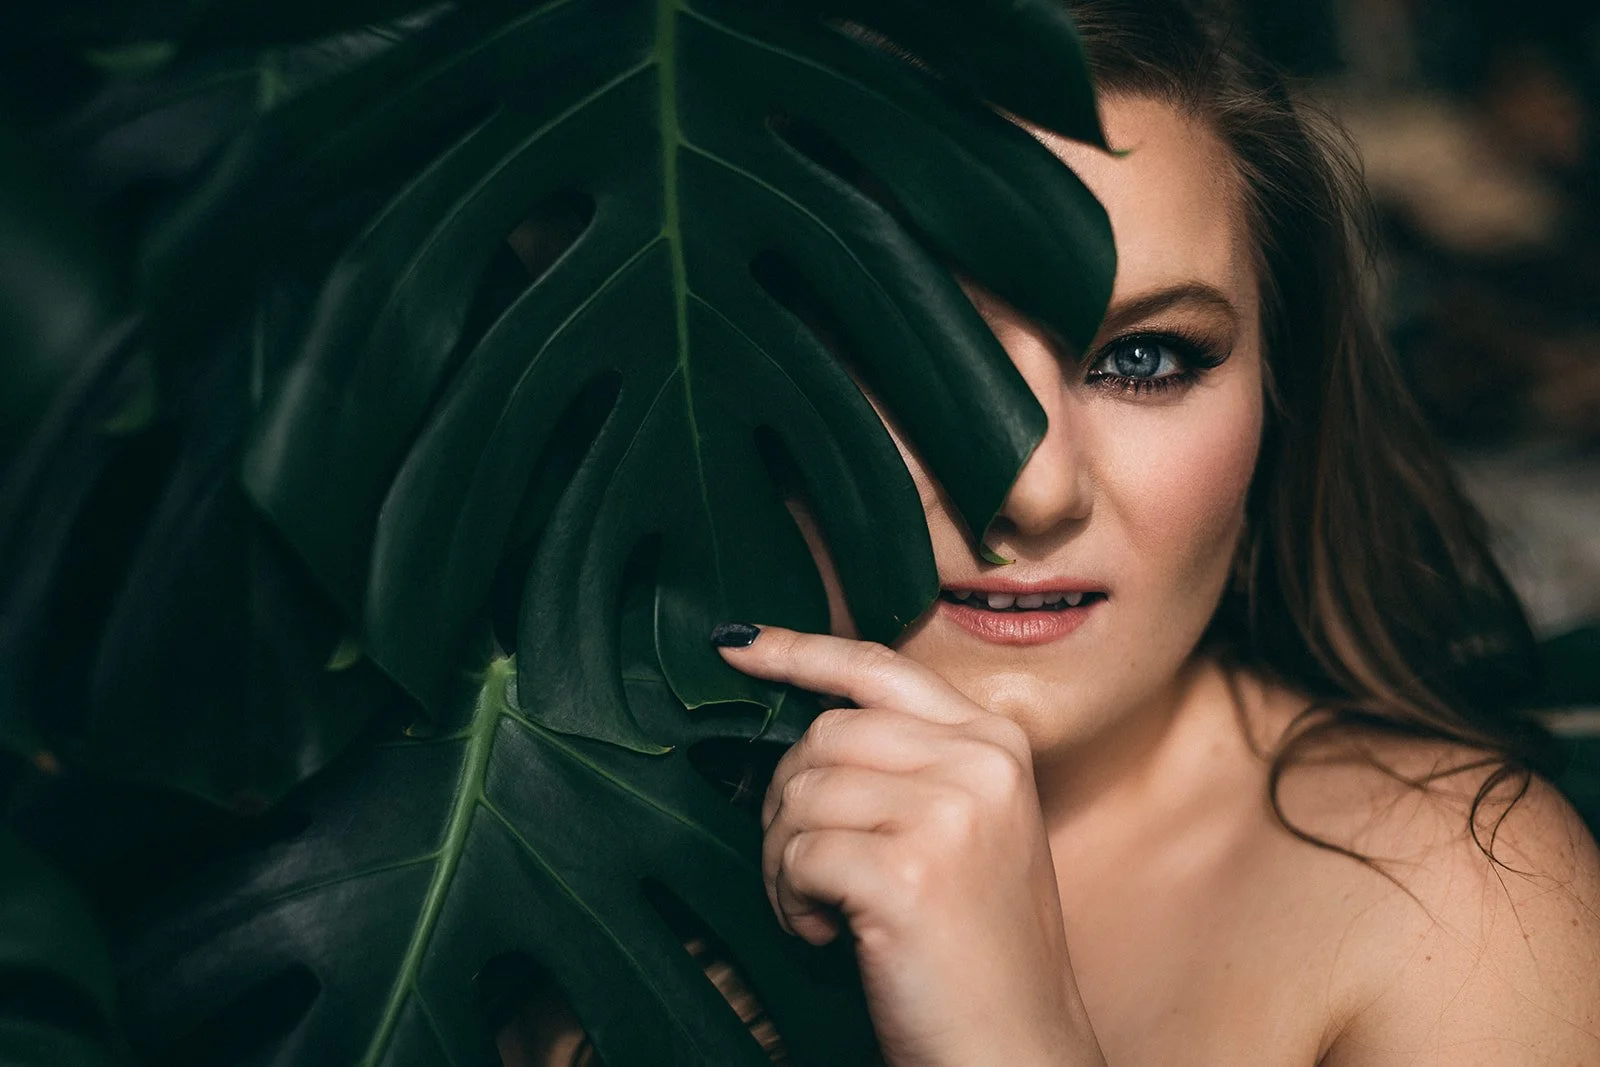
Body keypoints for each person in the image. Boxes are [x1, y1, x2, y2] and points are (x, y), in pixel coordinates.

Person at [509, 0, 1600, 1062]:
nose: (1035, 490)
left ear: (1282, 393)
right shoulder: (518, 846)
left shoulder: (1462, 901)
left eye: (1143, 359)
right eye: (911, 352)